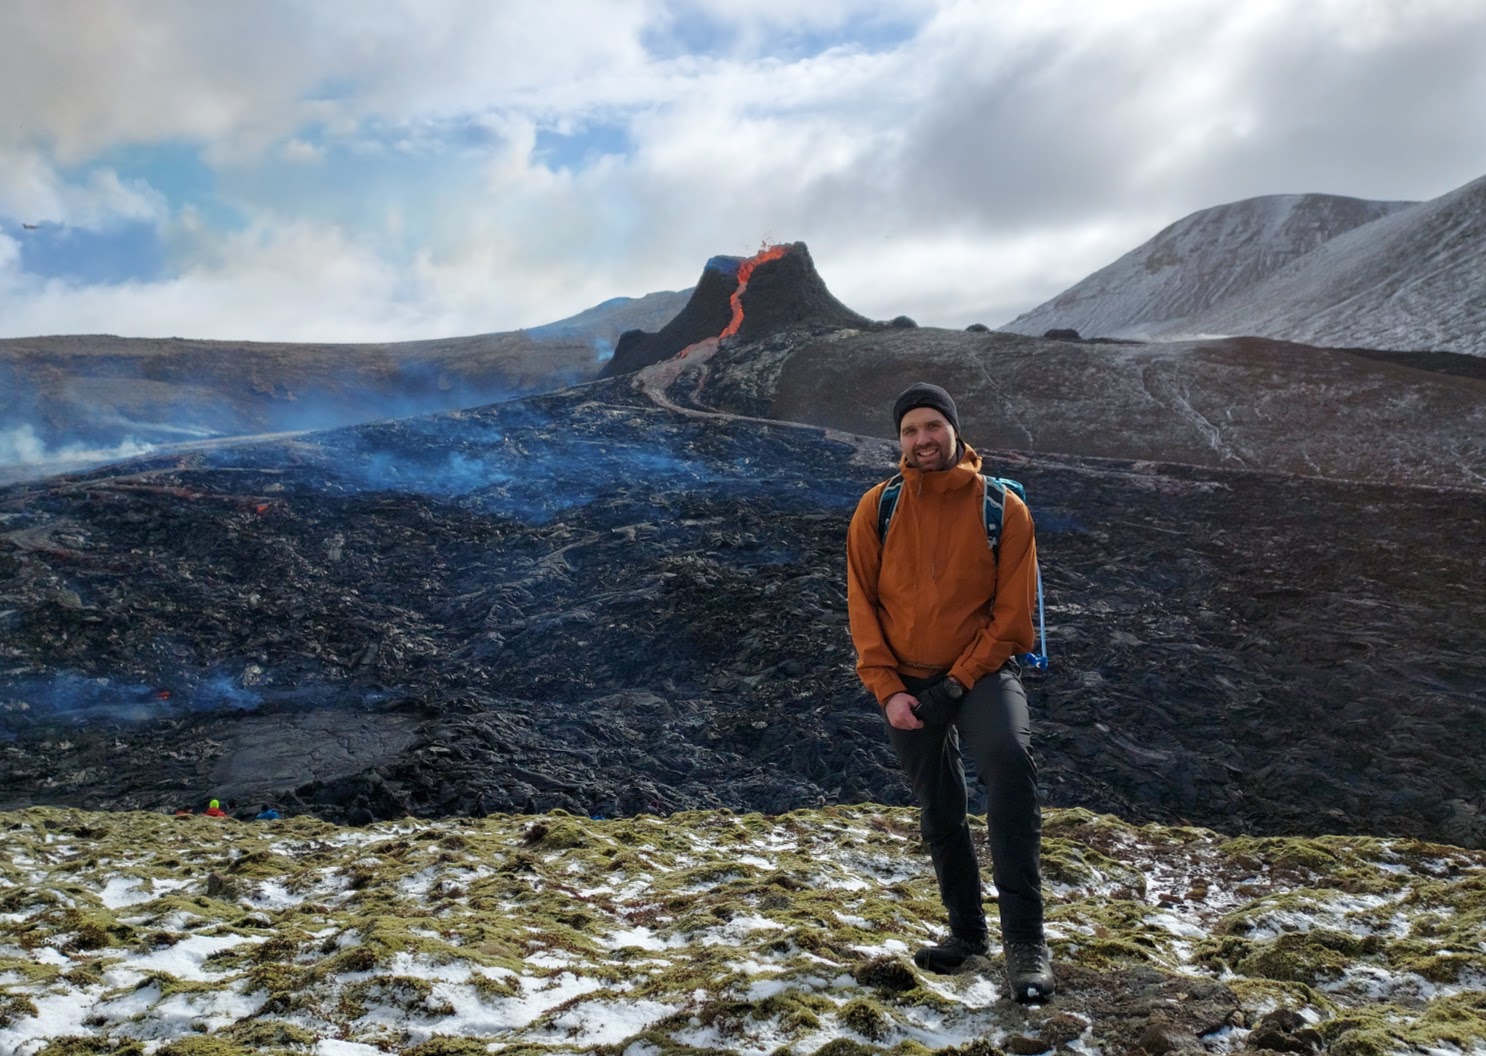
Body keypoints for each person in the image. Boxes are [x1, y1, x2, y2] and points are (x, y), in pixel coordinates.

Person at [845, 382, 1055, 1002]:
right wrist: (888, 689)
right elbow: (862, 605)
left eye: (932, 425)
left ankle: (1026, 945)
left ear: (954, 430)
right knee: (939, 805)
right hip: (905, 681)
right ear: (899, 439)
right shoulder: (877, 508)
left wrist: (959, 681)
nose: (923, 439)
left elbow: (1013, 617)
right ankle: (967, 934)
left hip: (983, 673)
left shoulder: (1002, 508)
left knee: (1009, 765)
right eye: (910, 430)